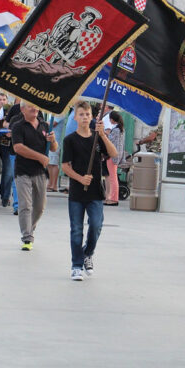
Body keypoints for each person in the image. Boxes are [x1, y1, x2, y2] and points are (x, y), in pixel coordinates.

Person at [61, 101, 117, 281]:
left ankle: (87, 253)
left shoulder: (97, 137)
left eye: (87, 114)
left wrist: (103, 135)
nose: (85, 117)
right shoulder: (70, 140)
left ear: (92, 117)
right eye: (81, 114)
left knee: (96, 225)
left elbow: (113, 153)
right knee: (76, 229)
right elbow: (65, 166)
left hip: (95, 193)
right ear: (75, 117)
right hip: (77, 192)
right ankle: (76, 265)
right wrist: (79, 178)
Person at [11, 102, 57, 250]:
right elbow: (18, 148)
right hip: (23, 171)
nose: (34, 109)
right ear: (22, 109)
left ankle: (29, 228)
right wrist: (39, 157)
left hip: (40, 172)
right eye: (30, 106)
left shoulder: (44, 125)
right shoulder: (18, 126)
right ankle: (27, 238)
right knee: (25, 205)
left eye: (36, 106)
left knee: (40, 206)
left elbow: (54, 148)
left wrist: (53, 140)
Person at [104, 111, 125, 206]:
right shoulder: (121, 129)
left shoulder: (116, 130)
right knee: (114, 177)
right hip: (117, 155)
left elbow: (109, 140)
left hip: (112, 156)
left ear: (112, 119)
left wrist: (104, 134)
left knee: (113, 178)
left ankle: (113, 199)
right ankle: (113, 198)